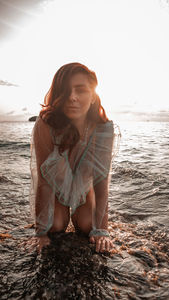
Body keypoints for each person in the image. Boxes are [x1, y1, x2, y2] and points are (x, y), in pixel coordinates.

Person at [29, 62, 120, 253]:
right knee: (54, 226)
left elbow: (101, 182)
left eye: (81, 90)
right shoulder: (46, 125)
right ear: (57, 95)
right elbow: (44, 180)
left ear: (93, 95)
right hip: (56, 188)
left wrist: (102, 230)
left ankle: (83, 215)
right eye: (65, 91)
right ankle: (56, 217)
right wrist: (40, 232)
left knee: (88, 226)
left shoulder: (103, 129)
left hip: (84, 190)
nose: (72, 97)